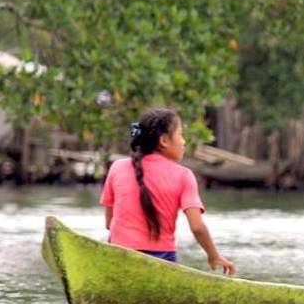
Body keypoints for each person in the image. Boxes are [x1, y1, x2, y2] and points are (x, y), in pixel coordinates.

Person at [101, 108, 236, 275]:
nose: (184, 142)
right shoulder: (183, 176)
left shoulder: (117, 167)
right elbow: (197, 227)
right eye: (181, 135)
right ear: (164, 140)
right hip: (161, 260)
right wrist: (213, 256)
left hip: (118, 256)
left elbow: (109, 224)